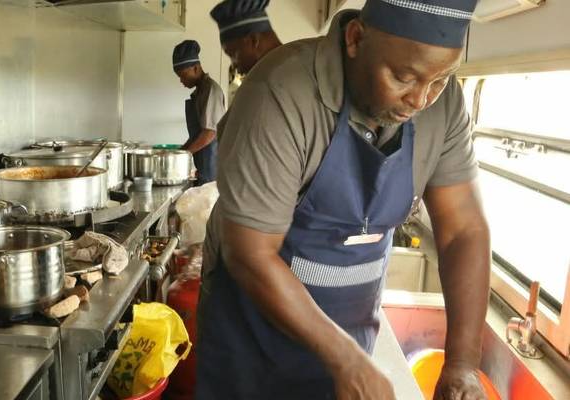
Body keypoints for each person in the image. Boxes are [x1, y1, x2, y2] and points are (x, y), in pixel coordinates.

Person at [197, 1, 491, 399]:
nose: (421, 99)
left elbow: (463, 231)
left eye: (440, 79)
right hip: (252, 342)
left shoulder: (444, 104)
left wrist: (462, 364)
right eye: (403, 77)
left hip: (351, 337)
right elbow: (251, 253)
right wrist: (345, 360)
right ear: (355, 39)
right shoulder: (281, 91)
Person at [172, 40, 226, 185]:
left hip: (212, 166)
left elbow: (210, 133)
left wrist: (186, 154)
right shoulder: (200, 92)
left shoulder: (211, 90)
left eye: (183, 75)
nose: (181, 81)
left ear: (196, 68)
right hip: (203, 164)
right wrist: (179, 153)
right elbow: (198, 134)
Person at [210, 0, 283, 76]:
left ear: (253, 40)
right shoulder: (276, 72)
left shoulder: (288, 73)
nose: (233, 65)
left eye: (233, 54)